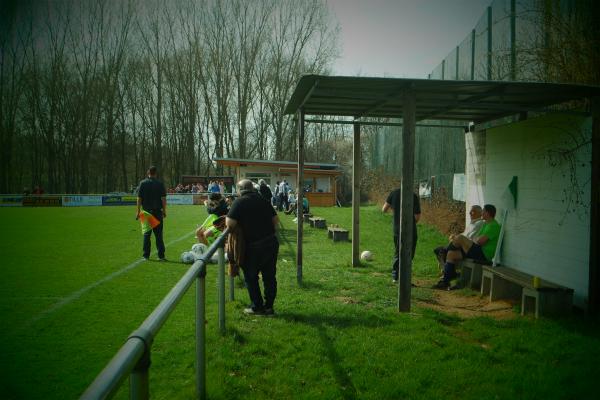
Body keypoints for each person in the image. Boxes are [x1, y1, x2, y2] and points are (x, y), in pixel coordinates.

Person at [226, 179, 279, 316]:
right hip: (270, 243)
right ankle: (269, 307)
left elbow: (229, 224)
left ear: (239, 190)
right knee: (269, 277)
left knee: (251, 277)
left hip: (253, 246)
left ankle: (257, 307)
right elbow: (275, 221)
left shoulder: (239, 202)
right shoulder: (263, 200)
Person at [432, 204, 501, 290]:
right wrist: (476, 239)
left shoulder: (493, 225)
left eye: (483, 211)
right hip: (478, 250)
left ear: (487, 213)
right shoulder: (485, 224)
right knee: (451, 254)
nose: (482, 213)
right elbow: (476, 239)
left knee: (460, 238)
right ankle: (445, 282)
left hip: (484, 255)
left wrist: (476, 239)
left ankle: (445, 250)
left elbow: (480, 241)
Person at [382, 189, 421, 283]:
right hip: (410, 229)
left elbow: (384, 209)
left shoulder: (393, 193)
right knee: (408, 253)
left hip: (397, 228)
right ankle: (405, 277)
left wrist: (395, 211)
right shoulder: (413, 195)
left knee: (397, 252)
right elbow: (417, 216)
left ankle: (395, 277)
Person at [433, 205, 484, 271]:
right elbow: (464, 234)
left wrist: (456, 238)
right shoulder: (472, 223)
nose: (470, 213)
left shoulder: (479, 223)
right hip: (462, 244)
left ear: (479, 213)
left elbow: (469, 237)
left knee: (443, 251)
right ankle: (444, 262)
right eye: (470, 211)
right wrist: (454, 236)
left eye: (473, 211)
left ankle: (444, 264)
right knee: (437, 250)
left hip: (466, 247)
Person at [136, 166, 167, 261]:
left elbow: (139, 198)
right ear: (155, 173)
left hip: (146, 212)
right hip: (157, 212)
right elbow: (163, 199)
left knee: (146, 235)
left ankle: (145, 256)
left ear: (148, 173)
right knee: (158, 235)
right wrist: (164, 211)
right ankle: (161, 256)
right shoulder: (160, 184)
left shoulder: (142, 183)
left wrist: (137, 211)